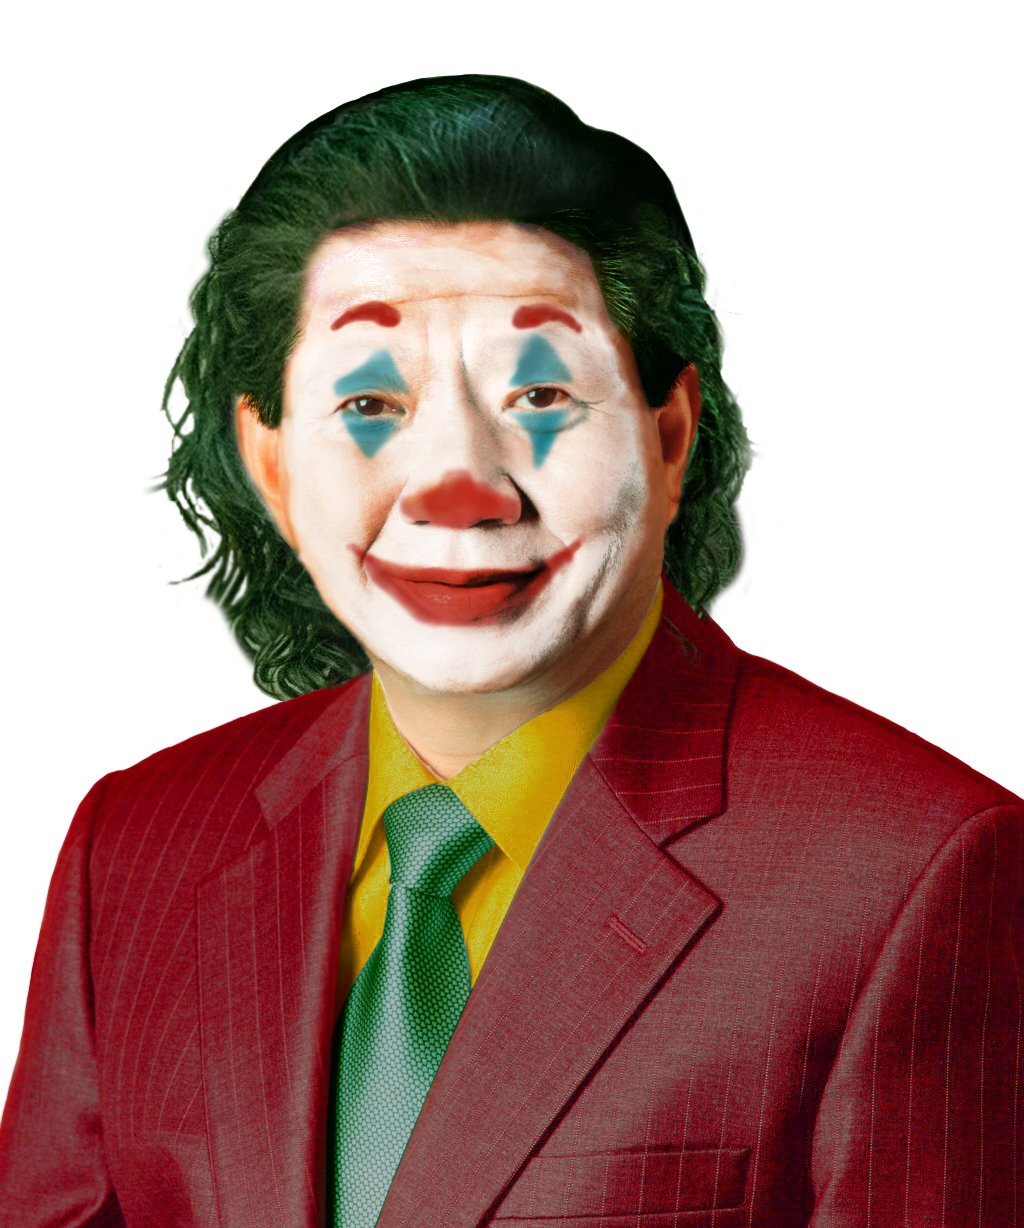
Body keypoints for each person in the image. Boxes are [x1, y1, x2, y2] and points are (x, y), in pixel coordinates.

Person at [0, 74, 1019, 1227]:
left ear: (669, 437)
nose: (460, 487)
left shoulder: (913, 874)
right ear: (270, 460)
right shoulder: (134, 845)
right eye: (370, 406)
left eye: (539, 392)